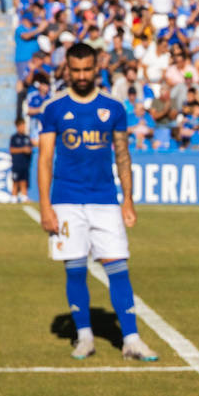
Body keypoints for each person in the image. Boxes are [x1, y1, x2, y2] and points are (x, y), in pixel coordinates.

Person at [37, 42, 159, 362]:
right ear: (67, 69)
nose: (80, 76)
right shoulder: (53, 107)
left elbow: (122, 154)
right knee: (75, 269)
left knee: (118, 268)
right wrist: (45, 206)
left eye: (86, 70)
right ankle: (85, 337)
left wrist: (128, 199)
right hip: (66, 201)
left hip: (105, 201)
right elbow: (45, 158)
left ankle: (131, 340)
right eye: (75, 70)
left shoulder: (114, 107)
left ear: (96, 69)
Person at [9, 117, 33, 202]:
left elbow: (30, 148)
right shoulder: (14, 137)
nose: (23, 128)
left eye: (24, 126)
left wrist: (29, 150)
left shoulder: (27, 137)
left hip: (25, 164)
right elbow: (12, 150)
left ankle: (24, 197)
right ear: (17, 126)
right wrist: (23, 149)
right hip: (17, 164)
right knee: (15, 181)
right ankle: (14, 197)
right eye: (22, 126)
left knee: (24, 181)